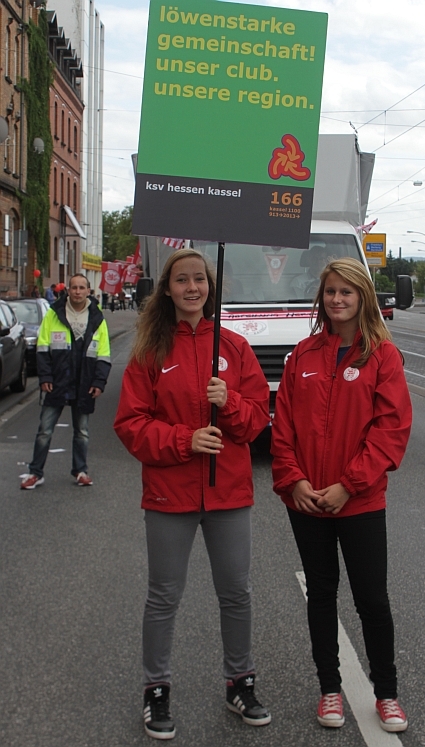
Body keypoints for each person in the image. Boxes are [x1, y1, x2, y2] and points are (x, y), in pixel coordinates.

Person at [114, 249, 271, 740]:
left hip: (228, 494)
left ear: (210, 286)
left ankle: (240, 683)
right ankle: (156, 689)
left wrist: (231, 402)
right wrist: (186, 440)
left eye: (199, 279)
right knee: (163, 596)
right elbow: (130, 425)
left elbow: (256, 421)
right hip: (170, 495)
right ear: (168, 289)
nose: (192, 288)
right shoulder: (150, 351)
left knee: (236, 593)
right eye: (181, 280)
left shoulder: (235, 347)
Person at [271, 258, 412, 734]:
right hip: (307, 500)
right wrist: (294, 481)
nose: (337, 299)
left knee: (372, 599)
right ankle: (329, 688)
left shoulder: (382, 356)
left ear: (362, 298)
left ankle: (386, 694)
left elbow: (391, 430)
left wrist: (349, 485)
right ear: (322, 297)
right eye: (330, 291)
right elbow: (283, 426)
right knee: (321, 595)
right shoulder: (303, 355)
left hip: (360, 501)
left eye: (346, 292)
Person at [20, 274, 111, 490]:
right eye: (74, 287)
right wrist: (45, 377)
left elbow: (104, 353)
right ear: (68, 290)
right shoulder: (54, 314)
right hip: (57, 381)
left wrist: (99, 382)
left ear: (88, 291)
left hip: (84, 382)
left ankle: (80, 471)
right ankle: (35, 473)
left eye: (81, 288)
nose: (77, 291)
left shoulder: (97, 318)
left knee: (82, 431)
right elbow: (43, 348)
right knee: (45, 430)